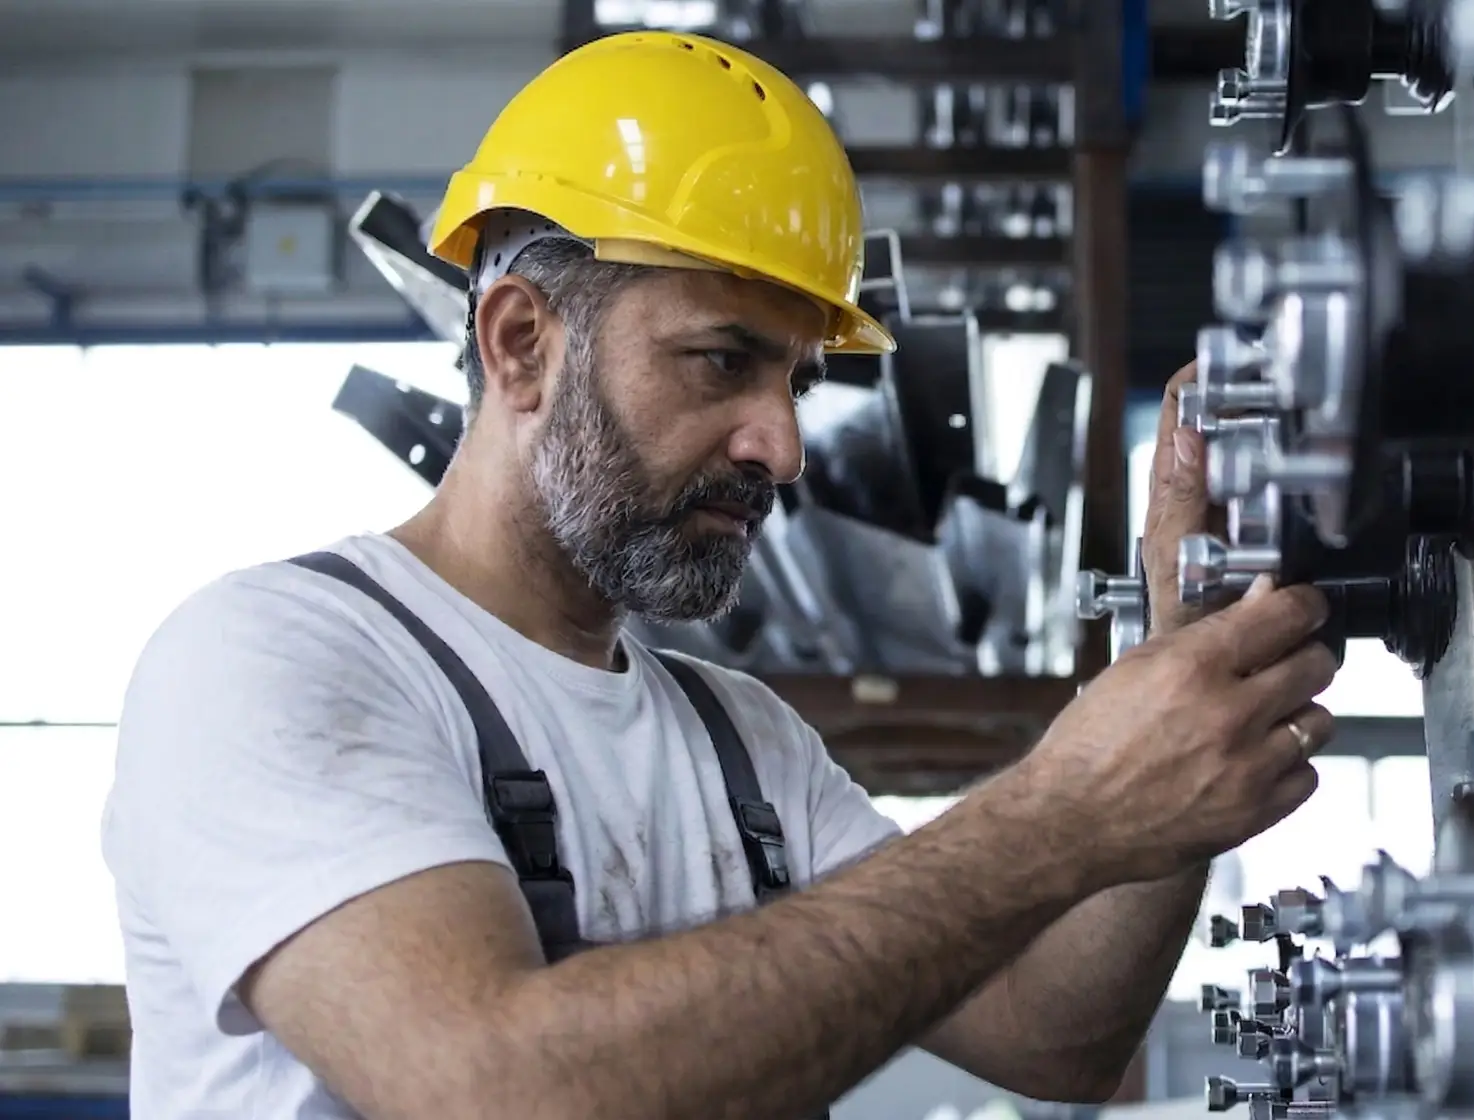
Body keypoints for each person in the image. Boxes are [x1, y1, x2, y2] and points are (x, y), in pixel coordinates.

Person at [100, 30, 1338, 1120]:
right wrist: (1055, 811)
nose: (782, 445)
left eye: (796, 379)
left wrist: (1183, 671)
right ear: (522, 342)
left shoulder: (741, 742)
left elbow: (1054, 1033)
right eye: (719, 362)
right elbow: (496, 1087)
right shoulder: (275, 659)